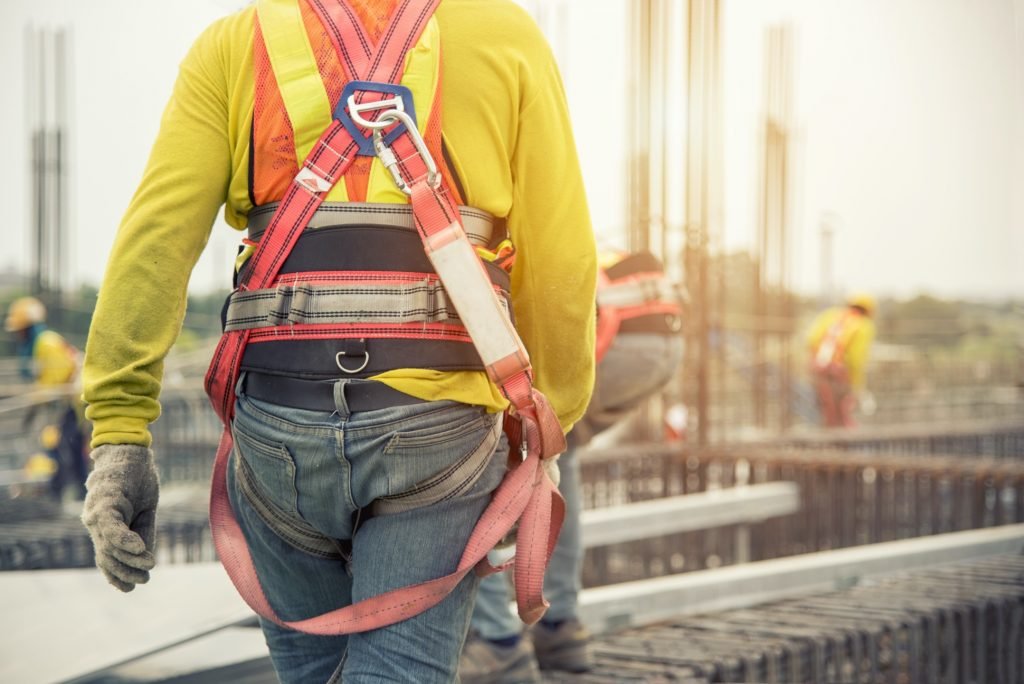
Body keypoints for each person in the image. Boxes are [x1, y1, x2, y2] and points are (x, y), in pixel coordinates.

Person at [79, 1, 595, 682]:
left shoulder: (236, 43)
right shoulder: (504, 33)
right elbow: (562, 258)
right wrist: (548, 425)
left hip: (277, 426)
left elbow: (156, 238)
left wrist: (120, 434)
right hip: (435, 427)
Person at [461, 250, 685, 683]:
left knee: (470, 467)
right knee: (560, 455)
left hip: (613, 337)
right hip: (658, 339)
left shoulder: (470, 231)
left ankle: (497, 641)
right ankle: (559, 628)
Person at [5, 296, 87, 500]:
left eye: (20, 330)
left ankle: (60, 495)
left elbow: (55, 381)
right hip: (71, 402)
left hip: (74, 402)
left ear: (29, 328)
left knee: (64, 447)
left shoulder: (46, 342)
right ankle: (76, 493)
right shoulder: (43, 343)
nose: (18, 335)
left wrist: (34, 404)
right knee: (71, 447)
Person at [806, 293, 877, 428]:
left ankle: (831, 437)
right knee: (843, 409)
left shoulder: (830, 315)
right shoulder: (864, 325)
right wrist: (856, 384)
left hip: (818, 368)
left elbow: (811, 340)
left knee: (828, 409)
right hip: (839, 373)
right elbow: (856, 359)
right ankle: (841, 440)